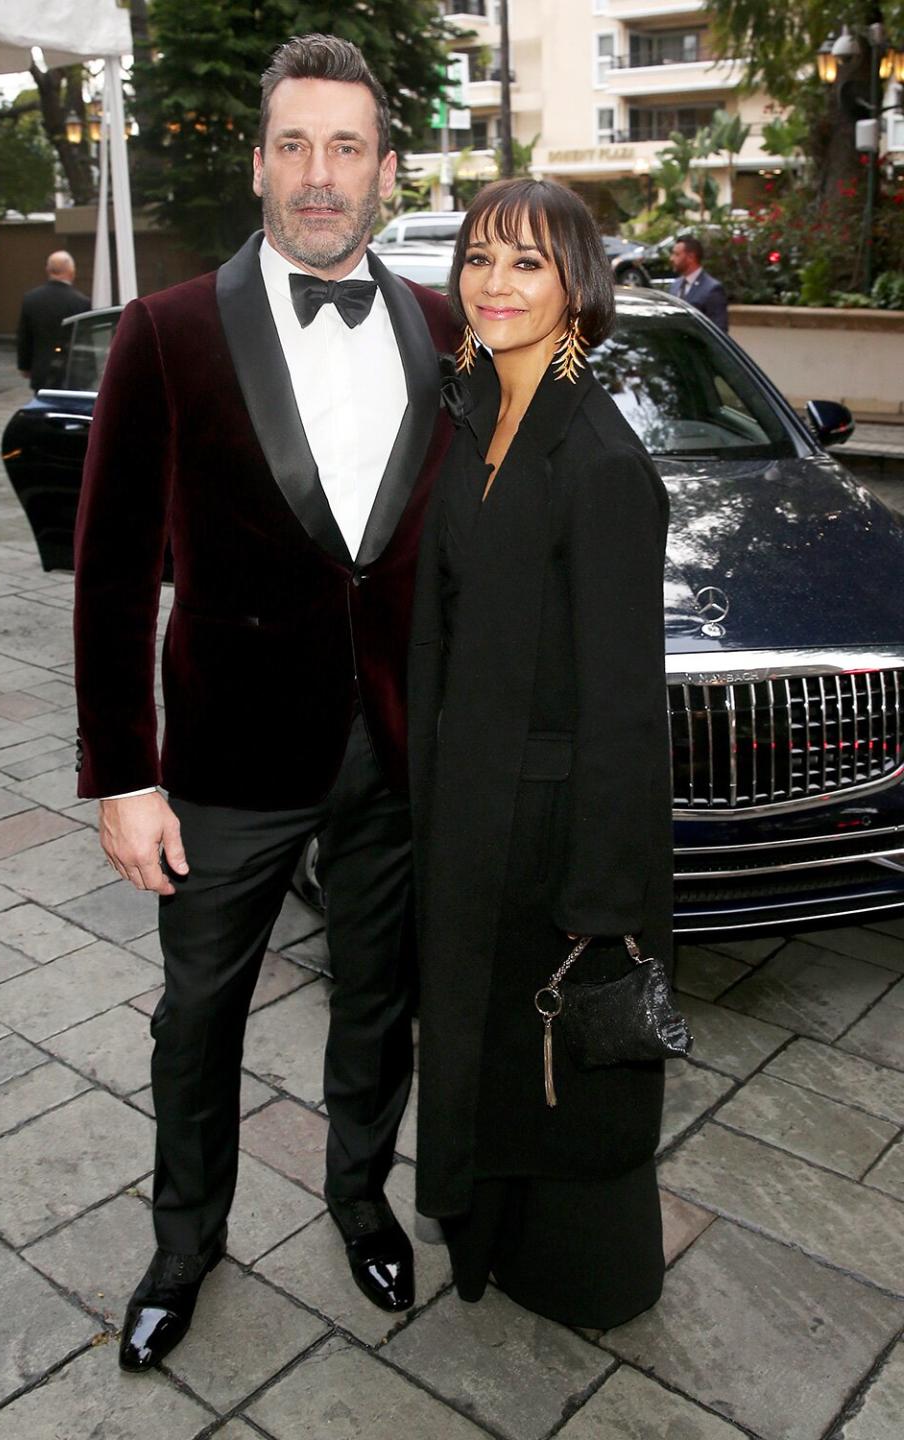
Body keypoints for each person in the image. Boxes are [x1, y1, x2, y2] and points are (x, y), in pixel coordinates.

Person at [73, 33, 456, 1373]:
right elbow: (115, 575)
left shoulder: (448, 323)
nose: (319, 173)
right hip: (228, 759)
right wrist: (125, 776)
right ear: (257, 163)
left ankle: (361, 1198)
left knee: (378, 1003)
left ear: (387, 169)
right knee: (198, 1020)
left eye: (347, 146)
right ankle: (186, 1245)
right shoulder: (164, 331)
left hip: (399, 746)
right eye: (294, 144)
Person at [408, 178, 673, 1328]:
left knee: (551, 1068)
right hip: (471, 804)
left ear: (578, 285)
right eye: (479, 258)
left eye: (526, 262)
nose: (496, 283)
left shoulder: (605, 462)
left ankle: (579, 1272)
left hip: (556, 827)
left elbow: (625, 705)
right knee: (481, 1045)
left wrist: (604, 894)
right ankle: (492, 1243)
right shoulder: (472, 413)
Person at [16, 251, 90, 389]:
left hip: (42, 371)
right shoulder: (81, 302)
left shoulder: (31, 299)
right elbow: (85, 340)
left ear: (48, 270)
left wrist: (24, 366)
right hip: (71, 373)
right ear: (71, 271)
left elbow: (24, 336)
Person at [669, 233, 728, 331]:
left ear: (691, 257)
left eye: (677, 254)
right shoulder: (676, 285)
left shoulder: (712, 289)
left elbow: (719, 330)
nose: (671, 258)